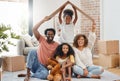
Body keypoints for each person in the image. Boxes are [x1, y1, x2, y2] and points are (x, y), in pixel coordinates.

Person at [23, 16, 59, 81]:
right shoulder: (42, 40)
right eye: (48, 34)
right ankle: (27, 74)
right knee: (33, 51)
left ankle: (32, 75)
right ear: (45, 35)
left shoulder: (57, 45)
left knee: (45, 76)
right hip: (36, 63)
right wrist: (43, 20)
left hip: (44, 67)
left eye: (52, 34)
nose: (50, 36)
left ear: (54, 35)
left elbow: (57, 57)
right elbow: (34, 29)